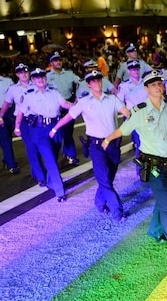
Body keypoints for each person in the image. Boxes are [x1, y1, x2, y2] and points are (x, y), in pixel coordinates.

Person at [102, 69, 167, 260]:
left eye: (160, 83)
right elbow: (124, 129)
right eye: (153, 84)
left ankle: (154, 229)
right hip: (153, 167)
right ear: (146, 88)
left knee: (165, 199)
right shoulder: (140, 110)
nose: (158, 87)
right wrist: (107, 139)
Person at [51, 70, 130, 220]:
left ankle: (99, 202)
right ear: (88, 84)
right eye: (93, 81)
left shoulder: (112, 99)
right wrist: (55, 128)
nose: (96, 83)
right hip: (96, 146)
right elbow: (69, 116)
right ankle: (117, 211)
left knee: (109, 178)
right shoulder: (84, 102)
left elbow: (127, 113)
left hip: (113, 144)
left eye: (98, 80)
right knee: (104, 179)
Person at [13, 67, 72, 202]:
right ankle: (60, 191)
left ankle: (51, 182)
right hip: (38, 130)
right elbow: (21, 112)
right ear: (33, 80)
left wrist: (74, 105)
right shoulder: (29, 95)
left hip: (55, 127)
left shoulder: (54, 92)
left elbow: (64, 103)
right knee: (49, 158)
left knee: (54, 157)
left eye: (42, 77)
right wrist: (17, 126)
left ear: (46, 78)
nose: (40, 79)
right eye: (37, 77)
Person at [46, 51, 83, 165]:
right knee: (58, 133)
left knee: (68, 132)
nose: (58, 62)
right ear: (51, 62)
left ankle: (70, 154)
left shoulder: (69, 74)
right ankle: (66, 154)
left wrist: (78, 94)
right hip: (55, 108)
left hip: (68, 105)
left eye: (60, 60)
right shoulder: (47, 76)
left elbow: (81, 82)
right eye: (55, 60)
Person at [0, 63, 34, 179]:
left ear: (29, 72)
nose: (23, 74)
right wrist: (1, 116)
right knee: (30, 146)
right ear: (17, 75)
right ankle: (37, 171)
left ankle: (38, 169)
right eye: (20, 73)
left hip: (37, 119)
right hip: (23, 120)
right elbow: (6, 103)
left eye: (25, 72)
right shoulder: (13, 89)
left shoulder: (36, 84)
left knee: (40, 145)